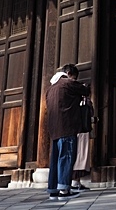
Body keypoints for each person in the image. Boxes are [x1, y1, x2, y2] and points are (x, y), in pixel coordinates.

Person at [46, 63, 90, 200]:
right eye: (74, 77)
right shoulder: (68, 83)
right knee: (66, 157)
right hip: (67, 126)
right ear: (70, 74)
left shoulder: (51, 88)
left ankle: (53, 189)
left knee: (55, 160)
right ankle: (64, 189)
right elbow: (85, 91)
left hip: (54, 129)